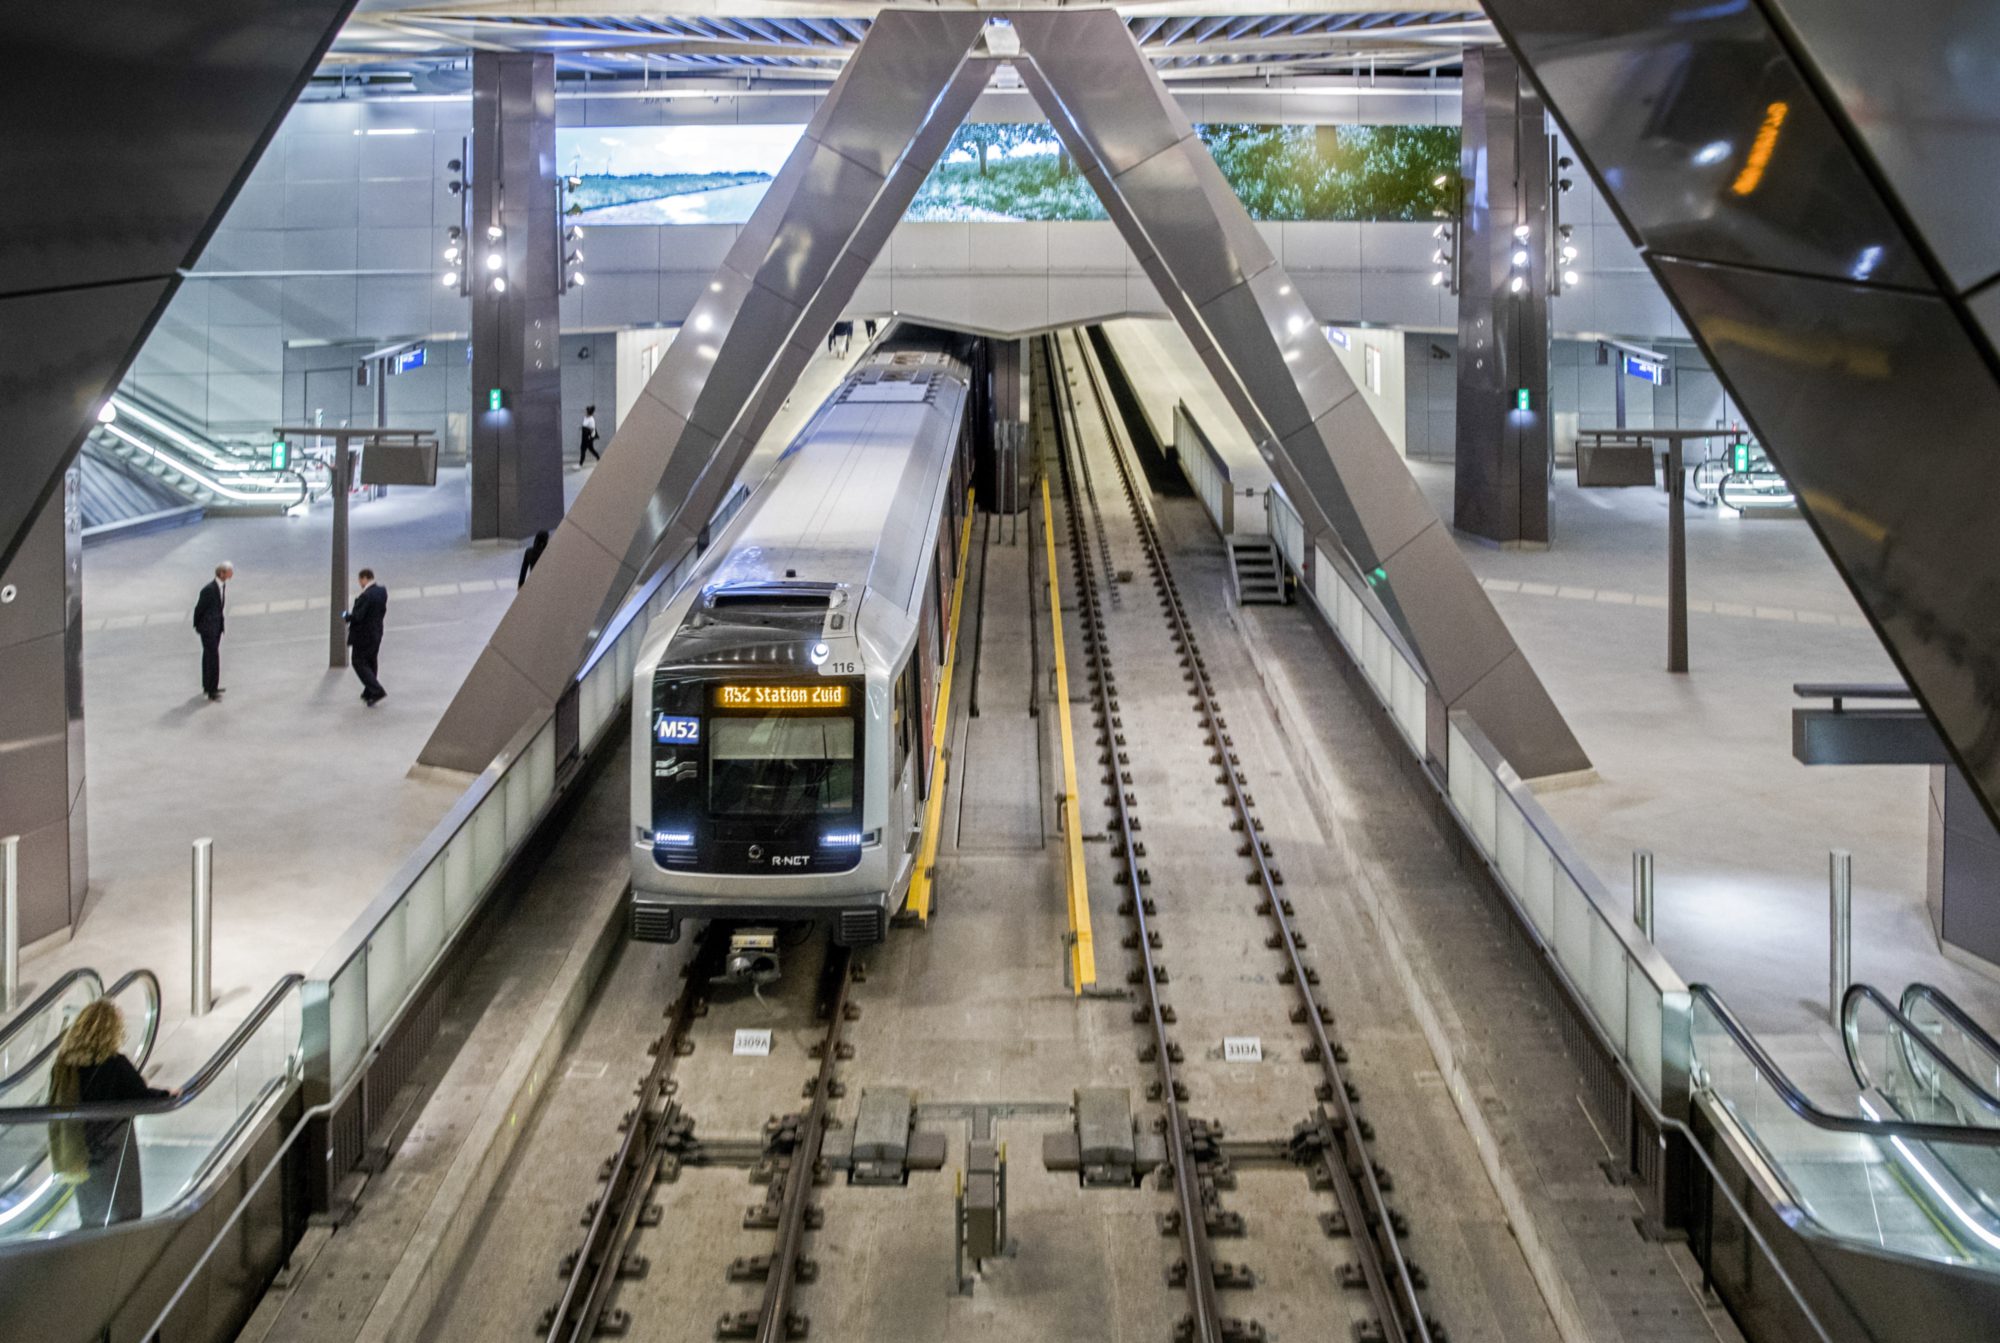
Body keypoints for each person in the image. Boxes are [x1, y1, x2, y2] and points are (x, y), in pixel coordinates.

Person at [47, 999, 171, 1228]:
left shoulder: (63, 1066)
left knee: (91, 1211)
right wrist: (167, 1094)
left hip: (78, 1149)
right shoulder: (114, 1064)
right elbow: (141, 1097)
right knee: (123, 1212)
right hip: (113, 1149)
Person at [344, 568, 388, 706]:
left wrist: (346, 616)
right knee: (371, 660)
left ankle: (376, 690)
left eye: (360, 580)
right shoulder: (382, 591)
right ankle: (369, 691)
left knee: (358, 661)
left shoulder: (366, 596)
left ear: (364, 578)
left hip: (363, 636)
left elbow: (357, 617)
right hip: (377, 632)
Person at [191, 562, 232, 700]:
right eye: (229, 571)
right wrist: (198, 626)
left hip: (216, 628)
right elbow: (199, 609)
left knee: (209, 656)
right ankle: (211, 689)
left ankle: (209, 686)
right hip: (208, 629)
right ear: (221, 573)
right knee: (213, 657)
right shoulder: (209, 590)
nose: (231, 574)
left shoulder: (221, 586)